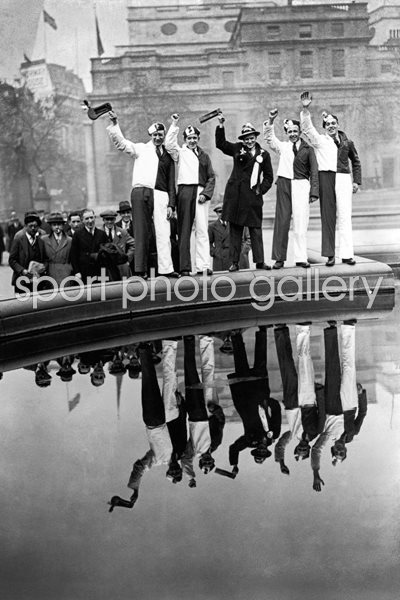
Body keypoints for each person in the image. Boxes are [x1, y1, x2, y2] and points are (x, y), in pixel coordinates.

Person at [107, 110, 178, 279]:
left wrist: (171, 205)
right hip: (140, 192)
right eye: (155, 135)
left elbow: (171, 183)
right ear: (150, 135)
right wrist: (115, 124)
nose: (158, 138)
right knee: (141, 231)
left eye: (161, 134)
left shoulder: (168, 155)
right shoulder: (141, 148)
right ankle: (140, 270)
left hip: (161, 195)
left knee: (163, 232)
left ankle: (166, 269)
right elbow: (121, 144)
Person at [300, 91, 361, 267]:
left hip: (343, 178)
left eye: (334, 123)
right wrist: (305, 110)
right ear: (324, 127)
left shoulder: (347, 142)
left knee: (345, 216)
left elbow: (356, 161)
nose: (331, 126)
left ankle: (347, 254)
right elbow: (307, 128)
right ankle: (330, 255)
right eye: (328, 124)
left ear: (338, 124)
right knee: (328, 217)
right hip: (326, 177)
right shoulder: (320, 140)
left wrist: (356, 181)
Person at [311, 320, 364, 492]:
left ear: (333, 449)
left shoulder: (328, 437)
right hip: (349, 403)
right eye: (343, 453)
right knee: (349, 366)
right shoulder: (352, 433)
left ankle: (331, 330)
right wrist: (362, 395)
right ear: (345, 450)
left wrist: (316, 472)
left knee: (332, 365)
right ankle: (348, 328)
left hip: (332, 403)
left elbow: (316, 449)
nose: (340, 450)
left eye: (337, 452)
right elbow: (362, 413)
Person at [215, 114, 273, 272]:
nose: (249, 141)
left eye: (251, 138)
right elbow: (220, 144)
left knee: (255, 229)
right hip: (235, 196)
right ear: (243, 139)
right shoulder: (236, 149)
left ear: (255, 137)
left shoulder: (264, 155)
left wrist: (261, 190)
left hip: (253, 197)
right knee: (235, 231)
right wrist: (221, 125)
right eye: (246, 138)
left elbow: (269, 177)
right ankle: (234, 262)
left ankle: (260, 261)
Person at [263, 109, 319, 269]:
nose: (293, 134)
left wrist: (314, 192)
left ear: (300, 132)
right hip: (284, 184)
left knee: (301, 222)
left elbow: (314, 171)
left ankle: (301, 258)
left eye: (295, 131)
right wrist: (271, 120)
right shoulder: (283, 147)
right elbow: (269, 138)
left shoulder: (308, 150)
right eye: (290, 132)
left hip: (301, 185)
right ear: (286, 133)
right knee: (282, 222)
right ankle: (279, 258)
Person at [165, 114, 215, 276]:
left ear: (198, 138)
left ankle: (203, 266)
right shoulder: (180, 152)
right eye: (189, 138)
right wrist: (174, 123)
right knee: (184, 230)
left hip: (200, 193)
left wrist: (206, 194)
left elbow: (211, 177)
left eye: (194, 138)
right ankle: (184, 267)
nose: (192, 141)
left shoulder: (204, 155)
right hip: (185, 191)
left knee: (202, 229)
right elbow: (168, 144)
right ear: (185, 139)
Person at [273, 324, 325, 475]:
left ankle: (280, 331)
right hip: (308, 398)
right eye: (304, 450)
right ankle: (303, 330)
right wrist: (320, 392)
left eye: (299, 449)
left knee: (286, 366)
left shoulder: (293, 434)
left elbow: (280, 445)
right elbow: (322, 412)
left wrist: (281, 462)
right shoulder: (317, 432)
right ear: (309, 448)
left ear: (296, 448)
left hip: (292, 402)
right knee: (304, 361)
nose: (302, 447)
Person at [228, 327, 281, 472]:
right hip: (260, 395)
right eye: (263, 453)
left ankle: (235, 335)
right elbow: (276, 414)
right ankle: (262, 331)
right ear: (267, 452)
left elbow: (234, 448)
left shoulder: (249, 441)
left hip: (244, 398)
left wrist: (234, 464)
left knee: (241, 364)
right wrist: (269, 401)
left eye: (258, 452)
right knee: (261, 363)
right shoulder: (273, 435)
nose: (261, 450)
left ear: (255, 451)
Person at [8, 212, 47, 293]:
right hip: (22, 281)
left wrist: (43, 267)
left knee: (38, 304)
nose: (33, 228)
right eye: (30, 226)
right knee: (23, 304)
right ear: (25, 226)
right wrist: (22, 271)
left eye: (35, 226)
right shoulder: (19, 239)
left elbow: (46, 258)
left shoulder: (41, 240)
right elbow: (12, 260)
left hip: (38, 281)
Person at [208, 204, 252, 271]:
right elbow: (208, 242)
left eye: (224, 211)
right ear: (216, 213)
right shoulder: (212, 226)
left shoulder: (238, 223)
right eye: (219, 212)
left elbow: (249, 238)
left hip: (238, 258)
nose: (222, 214)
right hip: (220, 259)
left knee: (241, 279)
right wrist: (214, 252)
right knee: (222, 280)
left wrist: (243, 251)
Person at [69, 208, 108, 283]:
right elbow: (74, 255)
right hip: (84, 272)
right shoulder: (78, 235)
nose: (90, 221)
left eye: (91, 217)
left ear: (95, 218)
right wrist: (77, 272)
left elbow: (106, 254)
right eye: (87, 218)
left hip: (100, 272)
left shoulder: (102, 234)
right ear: (82, 220)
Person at [99, 209, 135, 279]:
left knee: (125, 287)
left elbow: (134, 244)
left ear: (115, 219)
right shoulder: (99, 233)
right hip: (106, 268)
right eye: (107, 219)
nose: (109, 222)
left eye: (111, 219)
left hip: (121, 265)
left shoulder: (122, 232)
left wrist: (127, 258)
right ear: (103, 220)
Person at [42, 212, 73, 286]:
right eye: (54, 225)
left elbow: (73, 258)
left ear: (63, 225)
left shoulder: (69, 240)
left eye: (59, 224)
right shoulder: (44, 240)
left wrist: (70, 269)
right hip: (50, 273)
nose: (57, 227)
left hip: (66, 272)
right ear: (50, 226)